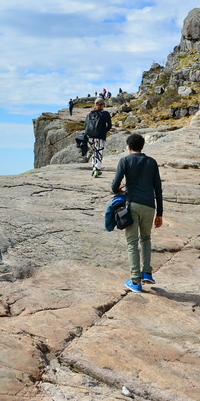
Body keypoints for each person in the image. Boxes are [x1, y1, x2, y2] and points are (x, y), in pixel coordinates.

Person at [111, 133, 163, 293]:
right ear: (142, 146)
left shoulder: (125, 161)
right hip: (149, 206)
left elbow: (115, 185)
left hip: (132, 205)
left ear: (129, 146)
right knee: (146, 238)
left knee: (132, 242)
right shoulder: (152, 162)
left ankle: (135, 281)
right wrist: (160, 213)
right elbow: (158, 188)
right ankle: (147, 272)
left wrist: (117, 190)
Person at [84, 98, 113, 178]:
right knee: (99, 153)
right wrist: (104, 131)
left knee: (94, 152)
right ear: (102, 105)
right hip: (100, 137)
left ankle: (94, 167)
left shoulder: (90, 113)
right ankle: (96, 170)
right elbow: (109, 125)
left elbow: (85, 125)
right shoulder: (105, 113)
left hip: (90, 137)